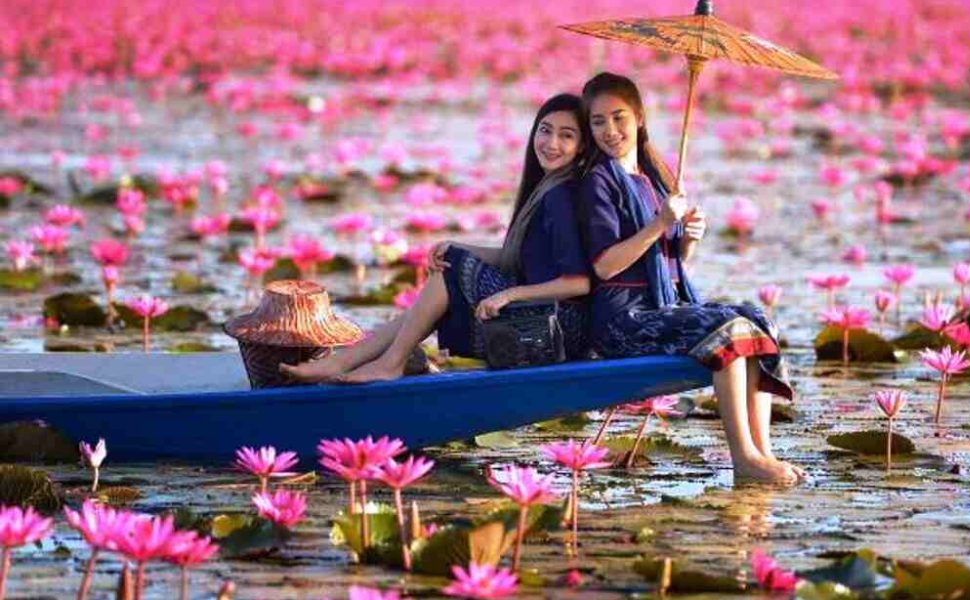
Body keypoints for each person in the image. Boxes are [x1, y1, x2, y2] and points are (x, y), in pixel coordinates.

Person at [579, 72, 804, 484]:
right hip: (620, 321)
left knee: (757, 318)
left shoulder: (654, 179)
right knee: (728, 331)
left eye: (619, 118)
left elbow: (672, 263)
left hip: (662, 308)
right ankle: (743, 458)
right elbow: (605, 266)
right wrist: (658, 224)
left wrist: (688, 238)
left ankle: (763, 452)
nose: (610, 131)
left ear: (640, 118)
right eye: (598, 122)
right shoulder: (598, 183)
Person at [281, 93, 591, 383]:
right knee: (449, 267)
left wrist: (509, 295)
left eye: (567, 135)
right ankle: (348, 361)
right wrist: (460, 246)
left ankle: (387, 362)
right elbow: (519, 256)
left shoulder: (561, 198)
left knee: (451, 271)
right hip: (539, 316)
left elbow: (579, 283)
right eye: (545, 130)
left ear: (581, 146)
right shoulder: (548, 189)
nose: (551, 143)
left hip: (555, 328)